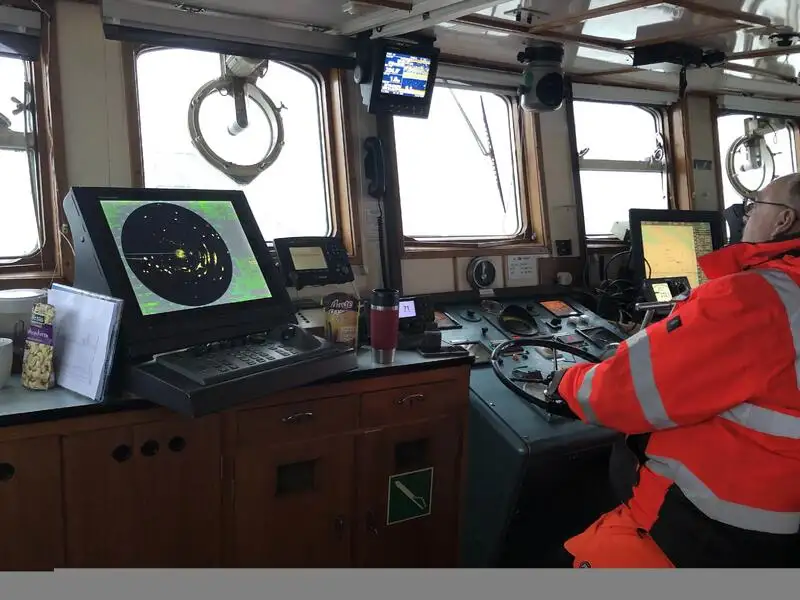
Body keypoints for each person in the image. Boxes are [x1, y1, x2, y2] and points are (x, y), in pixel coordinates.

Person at [546, 173, 800, 568]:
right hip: (778, 523)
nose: (746, 216)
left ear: (783, 220)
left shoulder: (754, 297)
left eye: (754, 206)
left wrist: (565, 382)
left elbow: (624, 393)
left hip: (709, 526)